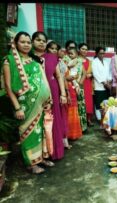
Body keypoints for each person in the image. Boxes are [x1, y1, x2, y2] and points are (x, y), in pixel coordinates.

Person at [3, 31, 52, 174]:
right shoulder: (9, 60)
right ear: (16, 44)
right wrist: (17, 108)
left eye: (28, 42)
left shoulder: (34, 61)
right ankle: (31, 163)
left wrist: (48, 99)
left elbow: (44, 81)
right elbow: (8, 86)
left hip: (41, 105)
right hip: (25, 106)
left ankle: (41, 158)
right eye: (22, 42)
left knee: (40, 132)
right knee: (28, 133)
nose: (26, 45)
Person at [32, 32, 67, 162]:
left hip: (53, 92)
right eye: (37, 40)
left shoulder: (52, 57)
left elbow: (59, 76)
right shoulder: (28, 58)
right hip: (35, 95)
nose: (41, 42)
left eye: (43, 40)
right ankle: (39, 155)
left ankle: (54, 152)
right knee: (38, 124)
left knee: (53, 122)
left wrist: (62, 93)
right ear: (32, 41)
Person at [65, 48, 83, 140]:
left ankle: (74, 133)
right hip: (69, 84)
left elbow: (69, 66)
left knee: (74, 109)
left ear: (76, 54)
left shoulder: (76, 61)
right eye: (69, 54)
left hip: (73, 81)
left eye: (72, 54)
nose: (69, 55)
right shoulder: (70, 61)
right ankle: (68, 133)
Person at [92, 46, 112, 126]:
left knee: (106, 103)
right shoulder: (94, 62)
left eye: (103, 53)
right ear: (96, 54)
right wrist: (104, 83)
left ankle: (105, 118)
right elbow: (95, 74)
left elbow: (109, 73)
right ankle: (100, 120)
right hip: (99, 86)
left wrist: (109, 81)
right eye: (100, 53)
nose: (102, 55)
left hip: (107, 86)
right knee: (99, 104)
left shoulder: (106, 62)